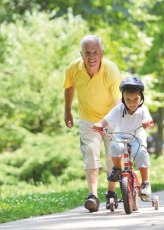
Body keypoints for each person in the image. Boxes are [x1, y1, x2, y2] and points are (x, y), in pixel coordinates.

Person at [63, 35, 122, 212]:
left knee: (113, 156)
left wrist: (117, 124)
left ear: (102, 53)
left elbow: (118, 101)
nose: (91, 56)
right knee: (90, 152)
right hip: (88, 118)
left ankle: (111, 192)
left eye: (95, 52)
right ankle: (93, 196)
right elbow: (69, 87)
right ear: (81, 54)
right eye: (87, 52)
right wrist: (67, 111)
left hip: (111, 117)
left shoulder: (110, 70)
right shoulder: (74, 68)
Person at [93, 77, 154, 197]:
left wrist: (148, 123)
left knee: (142, 152)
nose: (132, 103)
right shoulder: (118, 109)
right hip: (120, 136)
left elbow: (150, 125)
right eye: (128, 100)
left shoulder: (143, 110)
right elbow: (106, 120)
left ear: (141, 97)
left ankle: (145, 182)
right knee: (115, 146)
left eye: (136, 99)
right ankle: (117, 168)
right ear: (123, 99)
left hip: (137, 137)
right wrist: (100, 124)